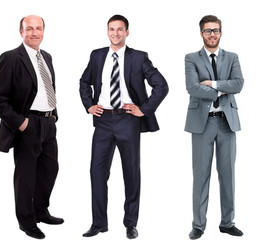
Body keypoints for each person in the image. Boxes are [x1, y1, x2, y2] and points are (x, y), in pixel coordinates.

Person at [79, 14, 168, 239]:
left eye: (120, 29)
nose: (115, 33)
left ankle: (130, 223)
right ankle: (98, 223)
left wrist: (143, 109)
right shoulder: (97, 55)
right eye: (112, 29)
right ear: (107, 31)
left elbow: (161, 85)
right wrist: (89, 105)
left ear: (127, 32)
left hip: (128, 120)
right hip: (103, 121)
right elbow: (84, 82)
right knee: (97, 173)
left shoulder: (138, 57)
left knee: (131, 173)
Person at [0, 15, 63, 239]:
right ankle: (26, 221)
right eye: (29, 29)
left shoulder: (47, 57)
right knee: (26, 176)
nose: (34, 33)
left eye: (38, 28)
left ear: (43, 31)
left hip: (48, 123)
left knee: (50, 170)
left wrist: (54, 116)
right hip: (27, 124)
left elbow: (48, 87)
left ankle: (41, 211)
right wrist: (22, 123)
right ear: (21, 32)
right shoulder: (11, 58)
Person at [184, 15, 244, 240]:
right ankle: (198, 225)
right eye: (208, 31)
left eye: (216, 30)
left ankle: (227, 223)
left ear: (221, 32)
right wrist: (223, 89)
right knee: (200, 175)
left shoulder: (232, 57)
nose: (212, 34)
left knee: (228, 175)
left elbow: (239, 84)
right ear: (201, 34)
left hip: (227, 122)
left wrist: (213, 84)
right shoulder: (191, 58)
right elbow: (192, 87)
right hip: (203, 123)